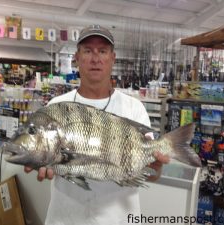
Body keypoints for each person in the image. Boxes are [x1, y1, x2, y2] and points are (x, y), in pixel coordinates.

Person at [25, 24, 169, 225]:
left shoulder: (134, 109)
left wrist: (155, 167)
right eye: (88, 51)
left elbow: (151, 175)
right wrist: (42, 161)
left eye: (102, 51)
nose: (95, 58)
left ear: (112, 59)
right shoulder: (55, 107)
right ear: (77, 58)